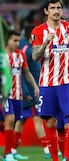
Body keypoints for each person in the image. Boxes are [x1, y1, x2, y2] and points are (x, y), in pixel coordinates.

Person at [31, 0, 69, 161]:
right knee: (50, 122)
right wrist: (45, 43)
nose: (56, 11)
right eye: (53, 8)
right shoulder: (38, 31)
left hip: (68, 82)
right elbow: (35, 56)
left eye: (58, 8)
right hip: (48, 84)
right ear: (46, 11)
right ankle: (55, 158)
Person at [11, 25, 50, 160]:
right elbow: (22, 72)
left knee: (21, 121)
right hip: (29, 90)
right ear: (32, 36)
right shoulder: (27, 50)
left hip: (26, 89)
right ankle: (47, 151)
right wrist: (28, 90)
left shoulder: (24, 47)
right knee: (37, 118)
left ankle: (12, 150)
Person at [2, 30, 40, 161]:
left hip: (17, 95)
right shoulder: (1, 56)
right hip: (4, 95)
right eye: (14, 40)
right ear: (7, 40)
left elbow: (26, 72)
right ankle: (8, 154)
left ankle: (11, 151)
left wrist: (35, 86)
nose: (17, 43)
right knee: (10, 119)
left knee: (13, 123)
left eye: (18, 40)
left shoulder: (20, 55)